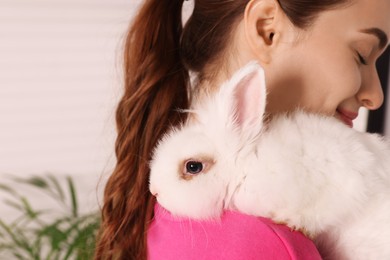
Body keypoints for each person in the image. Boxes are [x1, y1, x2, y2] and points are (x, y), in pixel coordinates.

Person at [94, 0, 390, 259]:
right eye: (361, 55)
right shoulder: (263, 243)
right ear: (266, 29)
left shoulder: (168, 215)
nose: (376, 97)